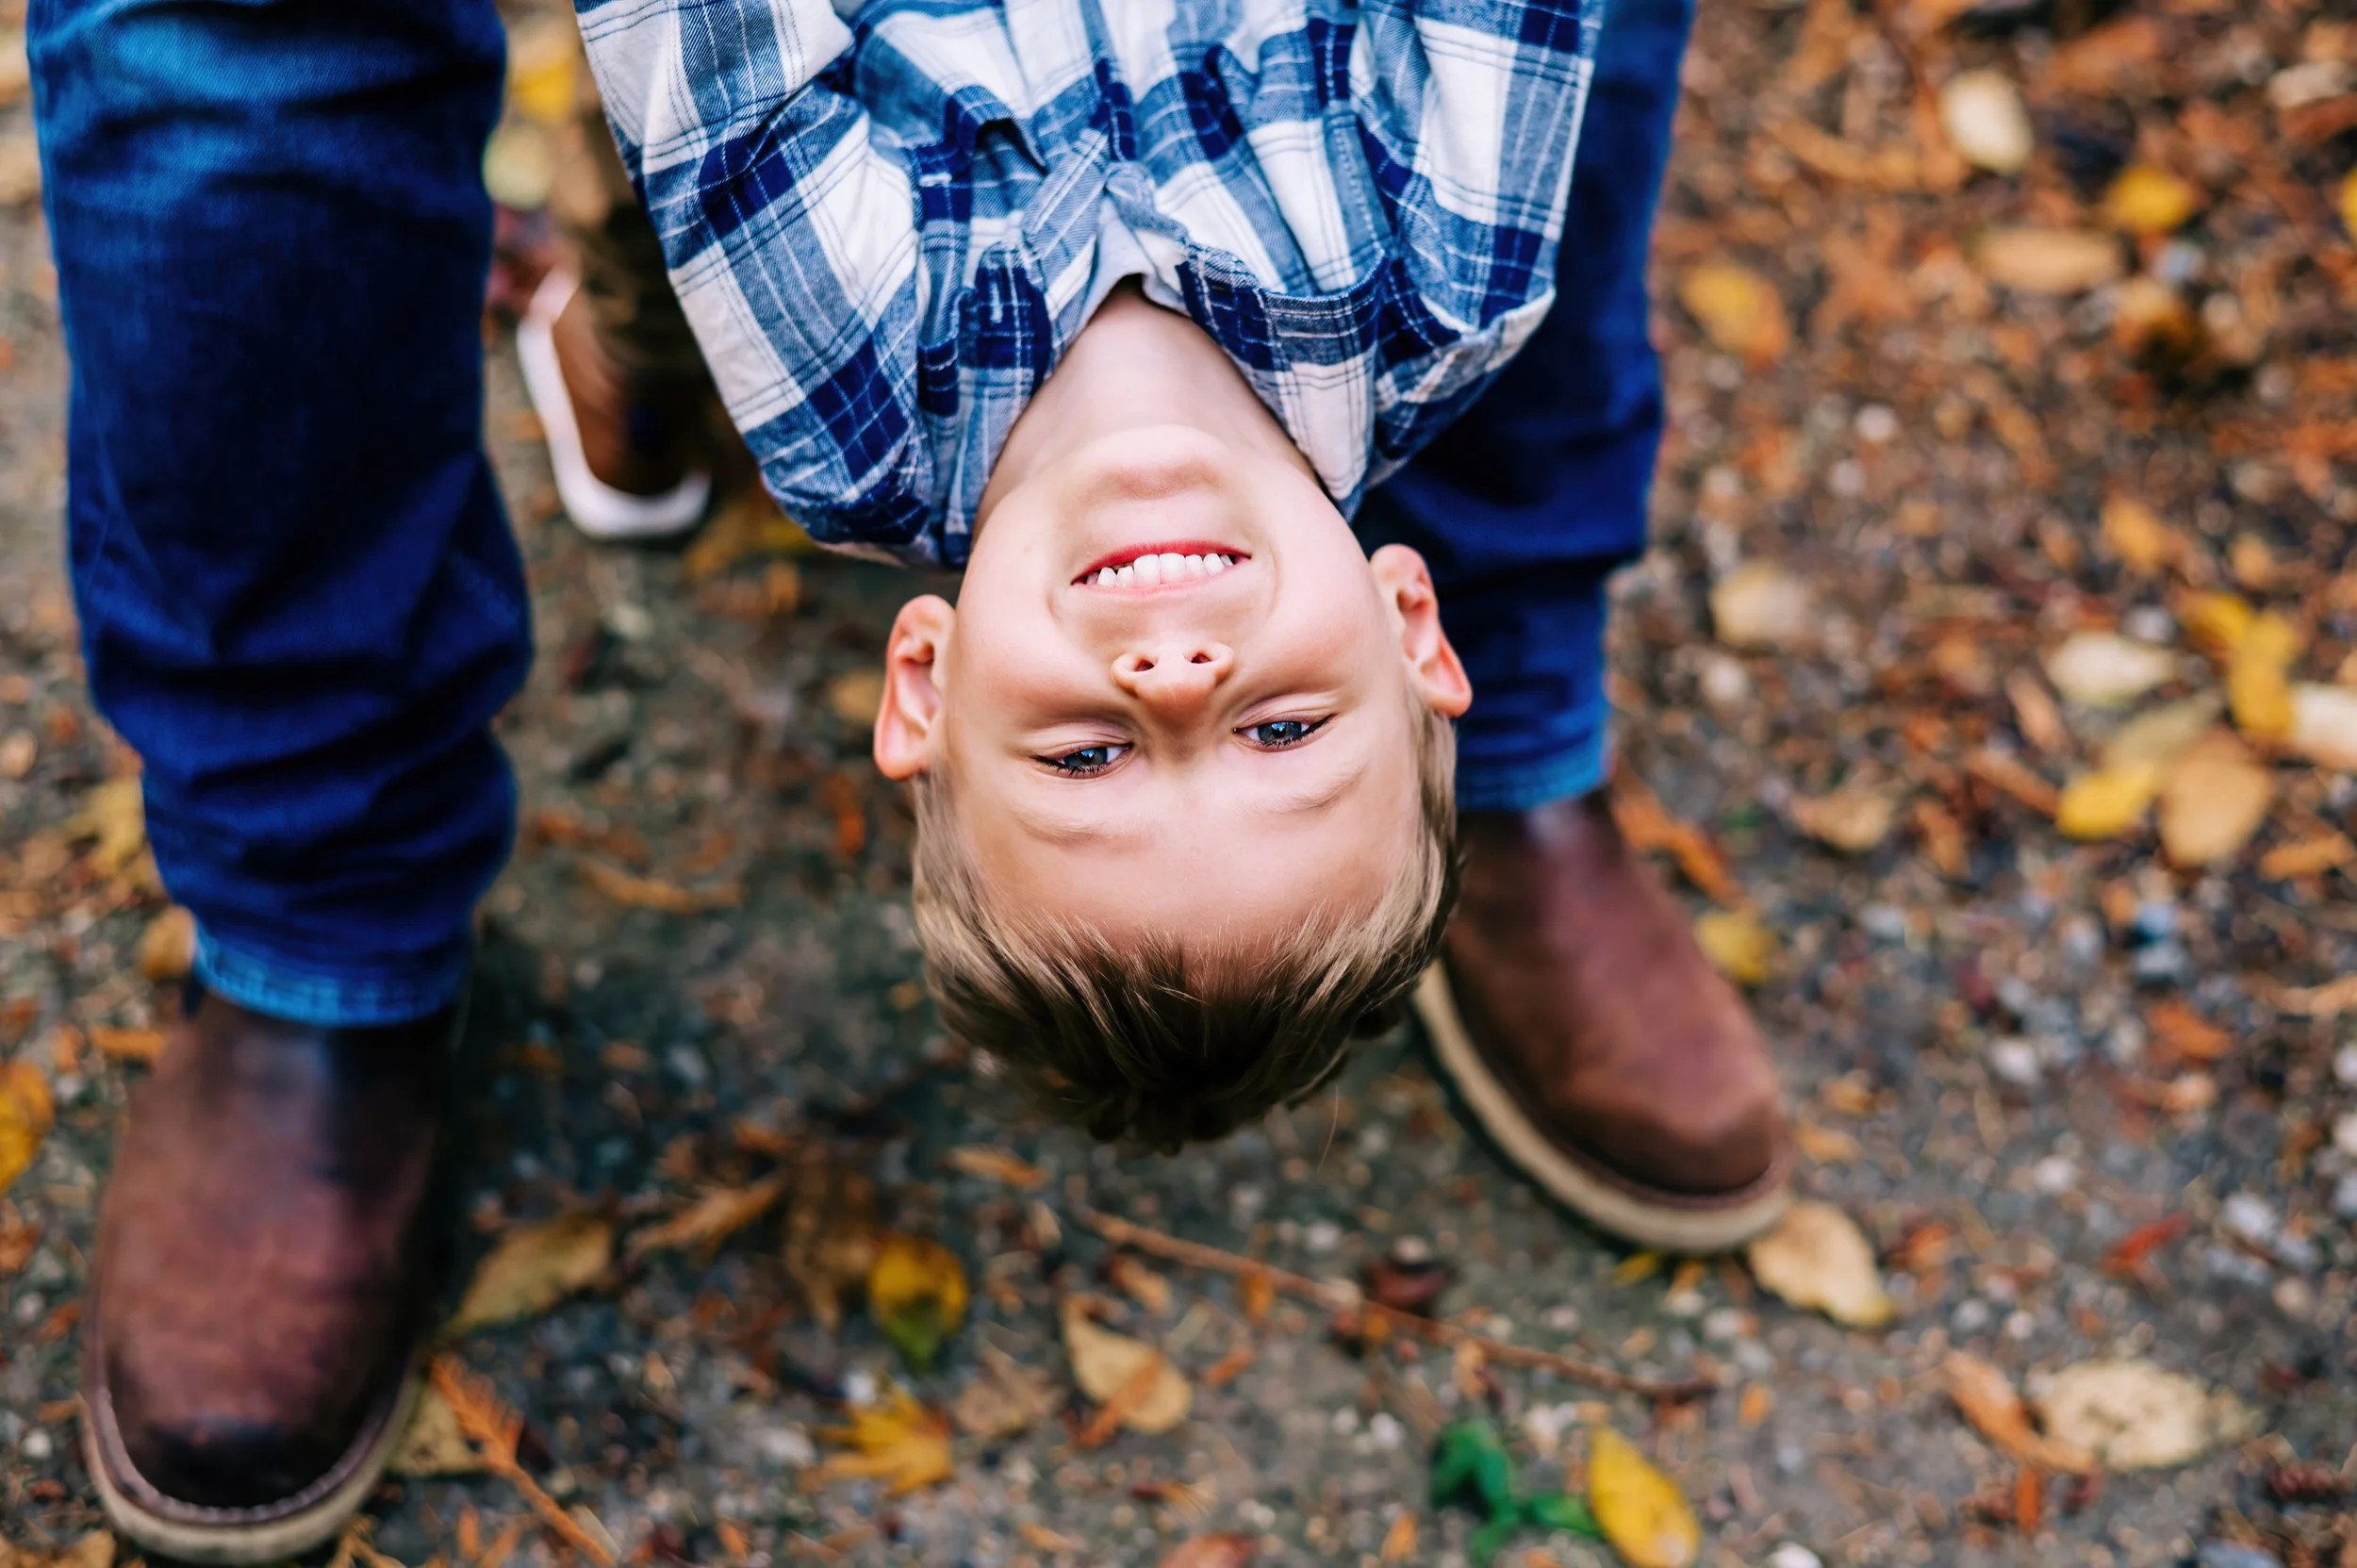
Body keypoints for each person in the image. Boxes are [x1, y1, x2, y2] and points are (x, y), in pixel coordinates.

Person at [31, 0, 1784, 1556]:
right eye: (1280, 731)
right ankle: (628, 352)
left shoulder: (857, 389)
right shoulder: (1450, 270)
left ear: (926, 676)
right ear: (1415, 631)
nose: (1180, 677)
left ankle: (315, 907)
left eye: (1096, 749)